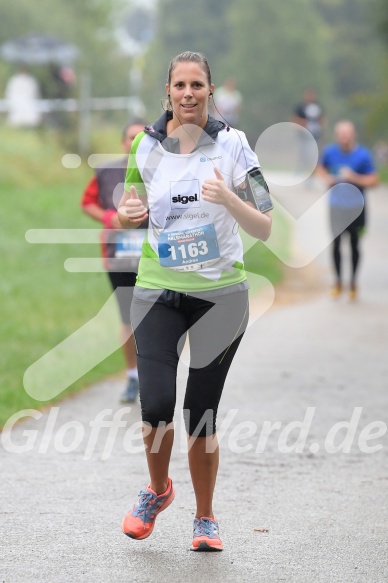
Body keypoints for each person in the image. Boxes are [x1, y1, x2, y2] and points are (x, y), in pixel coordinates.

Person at [118, 51, 271, 551]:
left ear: (210, 91)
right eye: (179, 85)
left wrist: (229, 197)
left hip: (220, 298)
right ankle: (158, 490)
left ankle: (205, 518)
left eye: (197, 85)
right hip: (158, 290)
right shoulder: (144, 146)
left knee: (200, 412)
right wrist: (128, 212)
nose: (188, 94)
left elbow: (265, 223)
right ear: (168, 91)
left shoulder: (235, 146)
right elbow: (130, 209)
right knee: (156, 404)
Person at [81, 120, 147, 402]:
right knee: (128, 318)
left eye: (141, 139)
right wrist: (110, 218)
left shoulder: (164, 171)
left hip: (158, 256)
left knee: (160, 316)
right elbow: (87, 202)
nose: (135, 144)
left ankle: (159, 376)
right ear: (123, 143)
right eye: (131, 138)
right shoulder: (106, 171)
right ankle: (133, 377)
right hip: (119, 256)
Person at [316, 120, 379, 300]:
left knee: (354, 244)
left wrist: (353, 178)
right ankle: (337, 282)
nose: (344, 137)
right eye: (341, 134)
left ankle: (353, 282)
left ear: (353, 135)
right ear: (337, 136)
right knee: (335, 244)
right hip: (336, 207)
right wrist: (326, 177)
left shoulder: (363, 155)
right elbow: (320, 169)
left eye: (347, 133)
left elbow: (373, 180)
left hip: (357, 208)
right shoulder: (330, 152)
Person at [292, 88, 325, 175]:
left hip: (315, 134)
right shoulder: (301, 107)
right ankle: (300, 170)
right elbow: (295, 119)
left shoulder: (318, 106)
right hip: (303, 134)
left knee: (313, 154)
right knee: (302, 153)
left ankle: (311, 172)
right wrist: (303, 124)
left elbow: (322, 119)